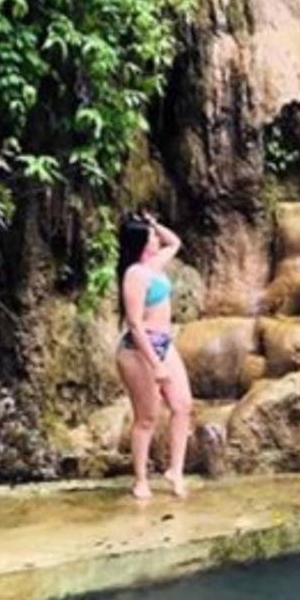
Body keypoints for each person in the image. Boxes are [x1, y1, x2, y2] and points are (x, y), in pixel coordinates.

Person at [115, 211, 192, 500]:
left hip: (164, 342)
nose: (156, 238)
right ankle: (140, 480)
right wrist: (155, 363)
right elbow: (134, 323)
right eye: (150, 236)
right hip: (139, 349)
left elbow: (175, 243)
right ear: (140, 243)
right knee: (146, 417)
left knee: (182, 406)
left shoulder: (155, 264)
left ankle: (175, 471)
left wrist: (154, 223)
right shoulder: (135, 274)